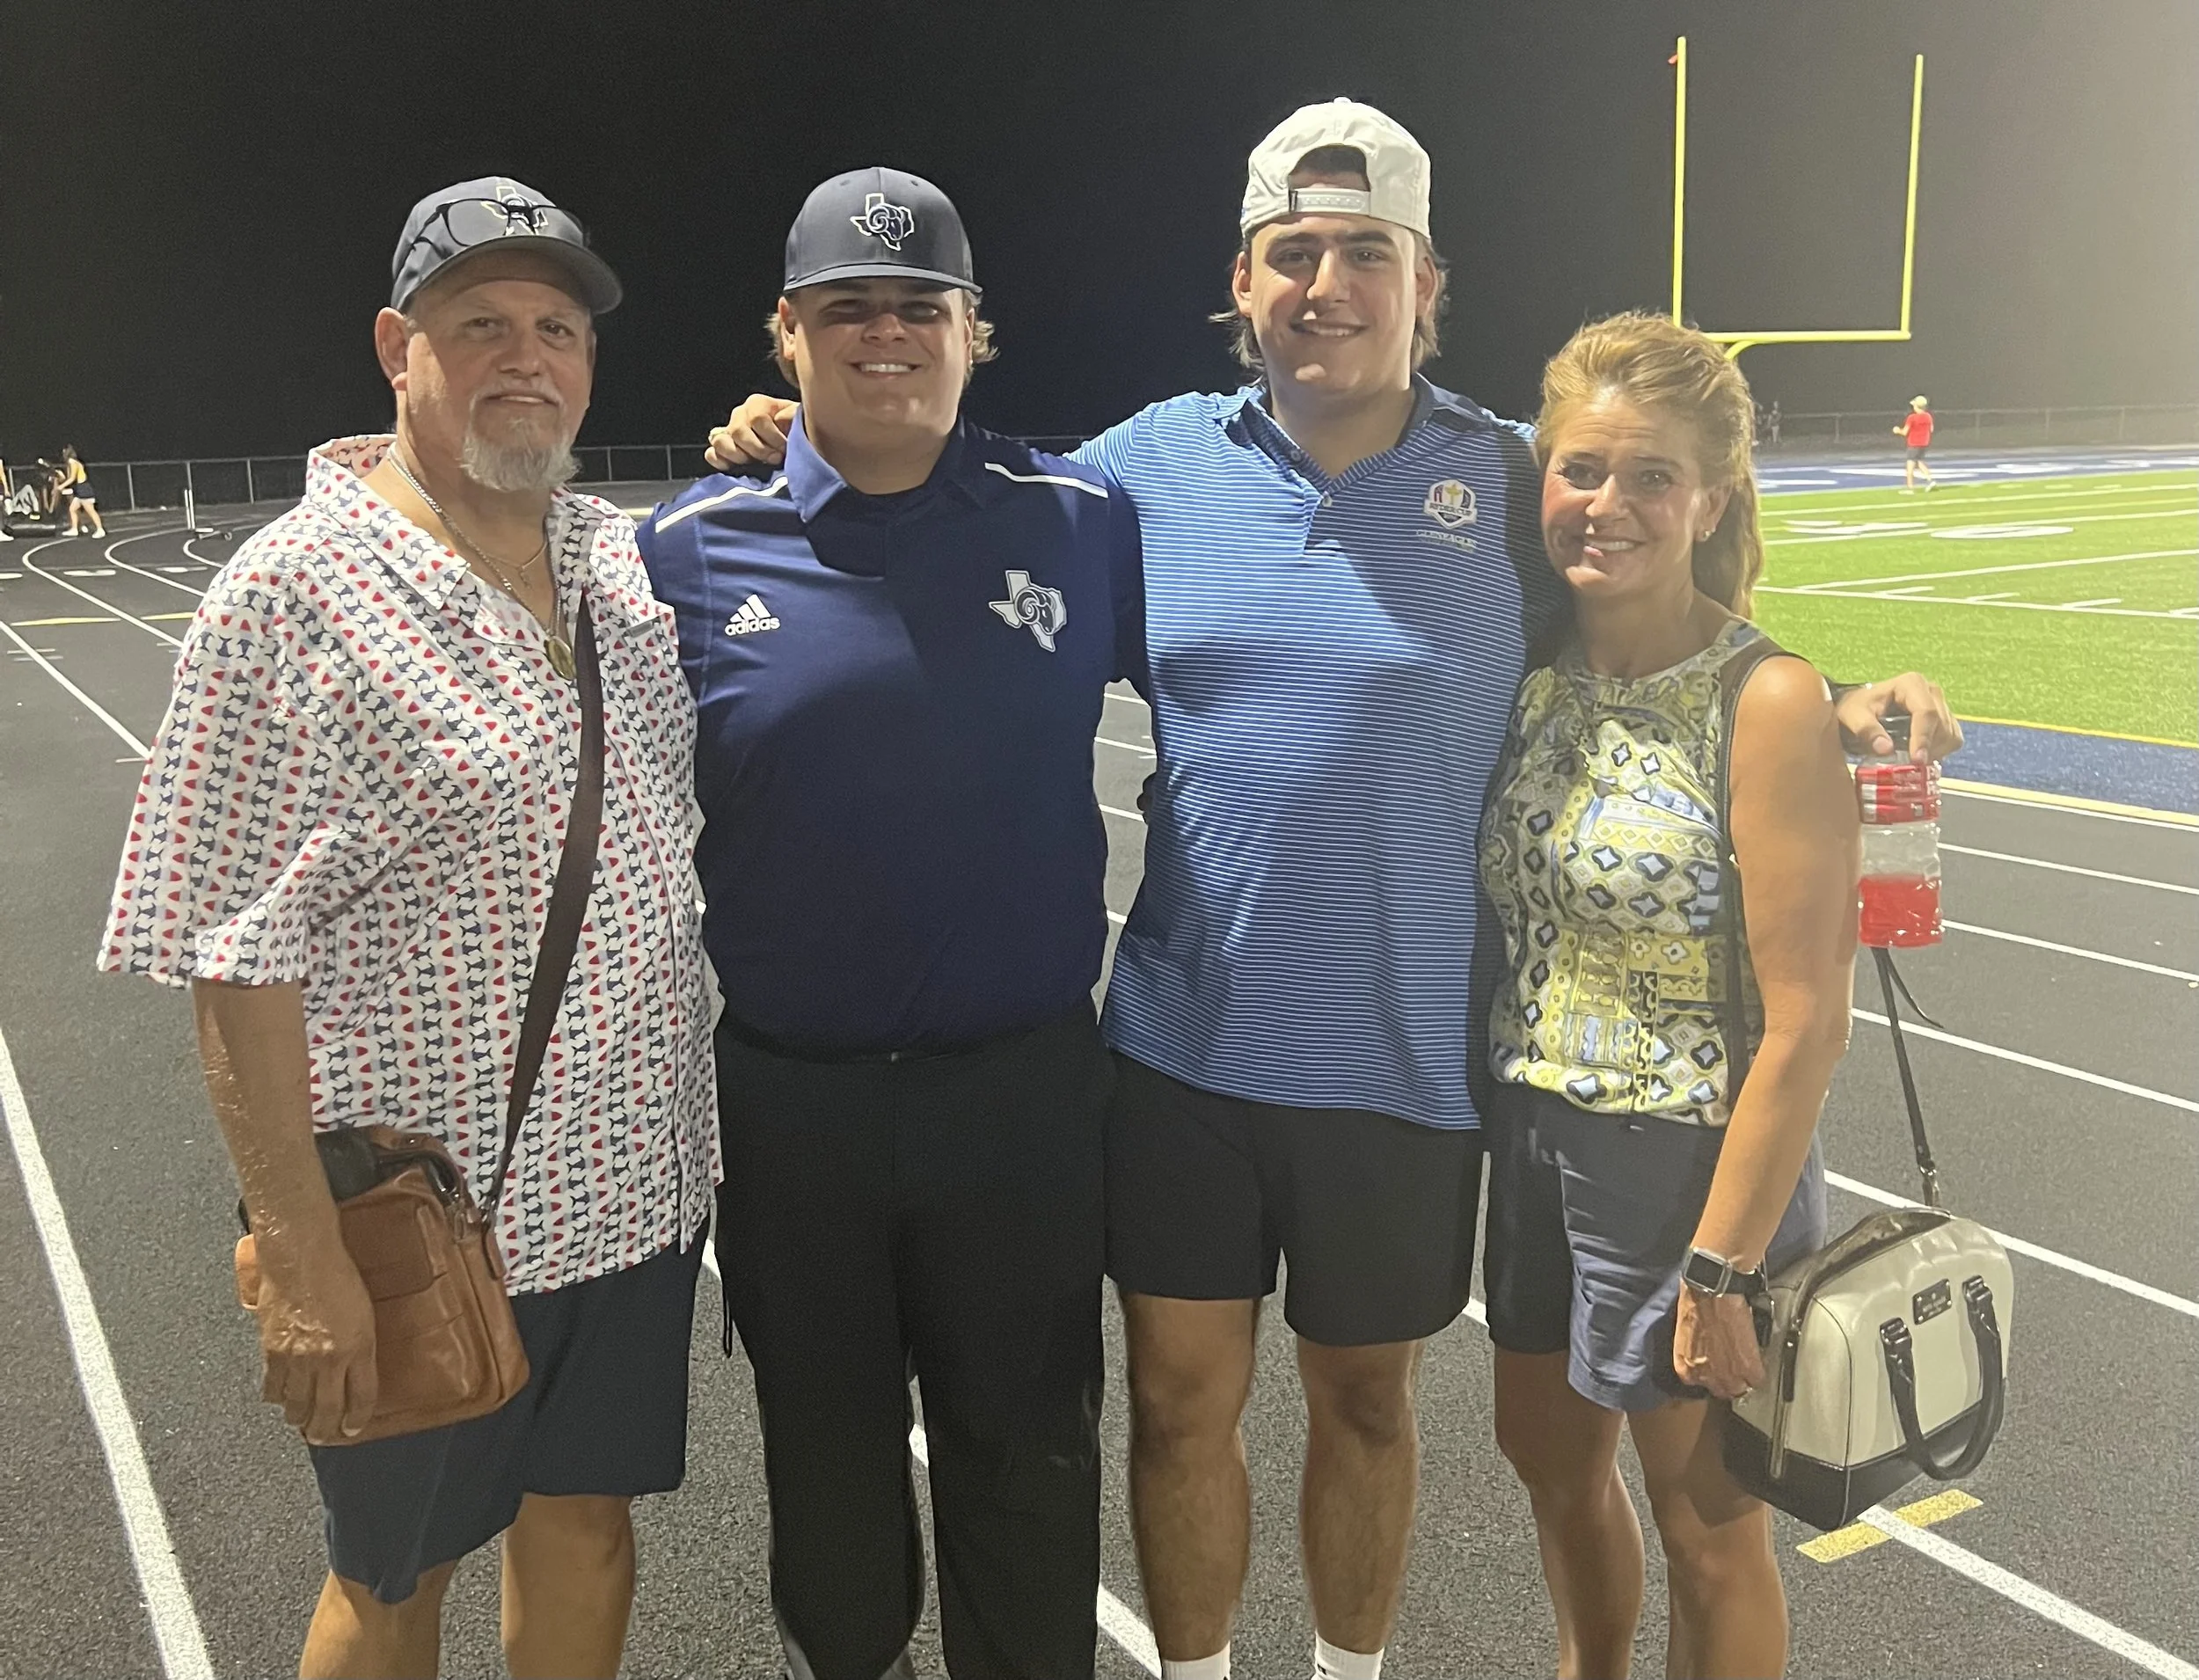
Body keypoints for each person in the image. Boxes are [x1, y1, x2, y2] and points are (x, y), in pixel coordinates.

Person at [706, 101, 1957, 1680]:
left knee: (1369, 1406)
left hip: (1404, 1064)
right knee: (1175, 1409)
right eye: (1294, 254)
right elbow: (948, 514)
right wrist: (793, 433)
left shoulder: (1517, 483)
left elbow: (1663, 623)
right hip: (1180, 1053)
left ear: (1428, 287)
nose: (1329, 285)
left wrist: (1833, 705)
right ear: (1245, 282)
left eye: (1368, 253)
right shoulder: (1143, 468)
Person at [97, 178, 717, 1680]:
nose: (528, 359)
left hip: (632, 1193)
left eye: (557, 328)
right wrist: (300, 1258)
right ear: (398, 345)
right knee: (394, 1580)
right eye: (481, 325)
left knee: (589, 1535)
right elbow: (233, 957)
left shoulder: (614, 561)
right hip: (432, 1214)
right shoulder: (288, 595)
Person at [639, 168, 1146, 1680]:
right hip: (796, 1111)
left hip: (1023, 1096)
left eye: (918, 307)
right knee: (831, 1488)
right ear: (786, 336)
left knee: (1032, 1468)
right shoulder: (683, 548)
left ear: (974, 333)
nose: (886, 337)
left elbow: (1281, 659)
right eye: (846, 310)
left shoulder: (1081, 518)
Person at [1481, 311, 1857, 1680]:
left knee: (1712, 1538)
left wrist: (1724, 1261)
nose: (1610, 504)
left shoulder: (1762, 699)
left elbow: (1812, 1015)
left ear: (1710, 500)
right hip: (1535, 1138)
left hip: (1695, 1164)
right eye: (1583, 469)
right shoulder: (1532, 666)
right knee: (1550, 1466)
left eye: (1651, 477)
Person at [60, 444, 106, 537]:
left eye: (64, 452)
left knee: (90, 510)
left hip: (84, 489)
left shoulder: (73, 462)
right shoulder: (71, 463)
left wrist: (61, 486)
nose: (62, 454)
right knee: (72, 509)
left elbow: (72, 478)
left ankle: (100, 529)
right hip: (79, 489)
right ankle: (74, 529)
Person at [1896, 394, 1935, 491]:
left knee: (1910, 466)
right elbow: (1931, 429)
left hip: (1913, 444)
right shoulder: (1928, 416)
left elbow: (1905, 432)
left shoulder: (1912, 418)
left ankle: (1910, 488)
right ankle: (1930, 480)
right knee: (1920, 462)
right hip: (1924, 443)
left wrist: (1897, 431)